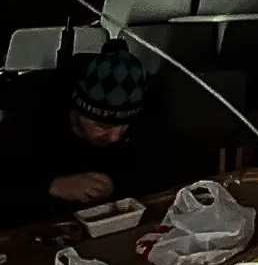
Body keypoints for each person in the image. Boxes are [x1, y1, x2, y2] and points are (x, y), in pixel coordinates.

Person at [0, 39, 155, 227]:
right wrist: (51, 186)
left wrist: (116, 184)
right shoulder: (33, 114)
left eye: (123, 125)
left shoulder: (144, 111)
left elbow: (158, 168)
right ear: (78, 111)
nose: (115, 137)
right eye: (102, 125)